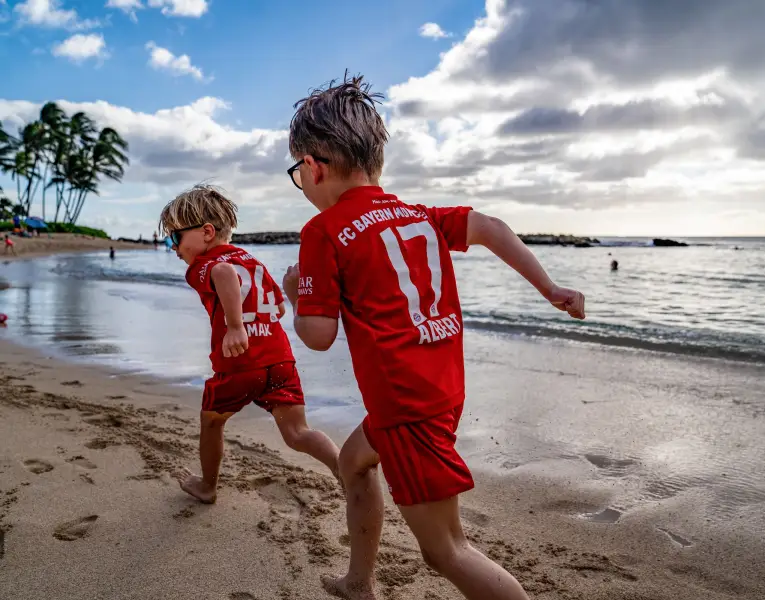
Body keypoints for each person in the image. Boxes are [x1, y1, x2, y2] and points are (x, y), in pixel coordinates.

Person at [282, 74, 586, 600]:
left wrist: (294, 295)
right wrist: (550, 288)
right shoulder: (416, 214)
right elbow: (490, 226)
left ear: (313, 166)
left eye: (296, 173)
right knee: (354, 462)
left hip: (404, 406)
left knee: (446, 551)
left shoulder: (323, 231)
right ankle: (359, 582)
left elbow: (317, 335)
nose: (300, 183)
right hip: (439, 389)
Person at [158, 184, 340, 504]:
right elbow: (279, 308)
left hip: (240, 363)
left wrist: (235, 327)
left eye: (175, 237)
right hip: (280, 360)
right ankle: (344, 470)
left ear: (207, 232)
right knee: (298, 432)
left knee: (212, 420)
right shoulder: (254, 262)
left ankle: (207, 486)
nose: (173, 247)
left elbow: (223, 273)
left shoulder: (204, 264)